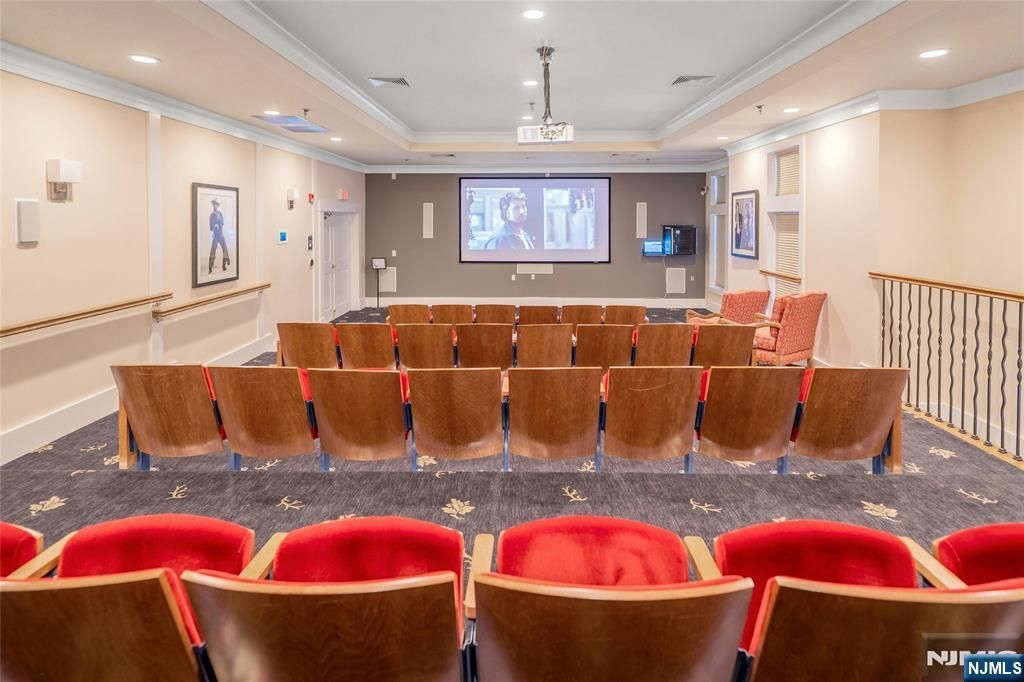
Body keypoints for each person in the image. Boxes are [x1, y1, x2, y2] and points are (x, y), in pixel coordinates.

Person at [208, 198, 230, 274]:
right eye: (214, 204)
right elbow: (210, 227)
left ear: (217, 205)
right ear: (213, 205)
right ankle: (210, 267)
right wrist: (214, 226)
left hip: (220, 234)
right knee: (213, 249)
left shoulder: (220, 214)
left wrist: (219, 225)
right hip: (215, 235)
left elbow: (222, 222)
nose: (215, 206)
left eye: (216, 204)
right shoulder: (211, 215)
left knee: (225, 248)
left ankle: (224, 266)